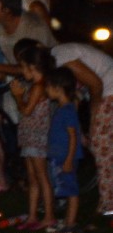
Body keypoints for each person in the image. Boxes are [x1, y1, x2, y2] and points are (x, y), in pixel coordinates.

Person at [16, 39, 113, 218]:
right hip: (105, 91)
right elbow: (77, 93)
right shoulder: (57, 66)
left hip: (109, 90)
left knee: (102, 147)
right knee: (102, 146)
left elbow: (96, 84)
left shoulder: (62, 57)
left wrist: (94, 117)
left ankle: (109, 204)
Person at [9, 46, 55, 230]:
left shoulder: (39, 86)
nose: (21, 71)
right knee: (33, 178)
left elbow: (27, 110)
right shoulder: (35, 86)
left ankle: (49, 216)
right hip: (29, 138)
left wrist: (18, 97)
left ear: (32, 66)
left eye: (23, 67)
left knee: (42, 177)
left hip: (37, 138)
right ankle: (33, 215)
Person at [44, 66, 84, 233]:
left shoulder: (67, 111)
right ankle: (67, 221)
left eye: (48, 86)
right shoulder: (63, 110)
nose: (46, 89)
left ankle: (70, 224)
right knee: (65, 189)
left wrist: (68, 159)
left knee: (71, 190)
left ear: (58, 88)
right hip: (59, 157)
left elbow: (73, 137)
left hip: (65, 158)